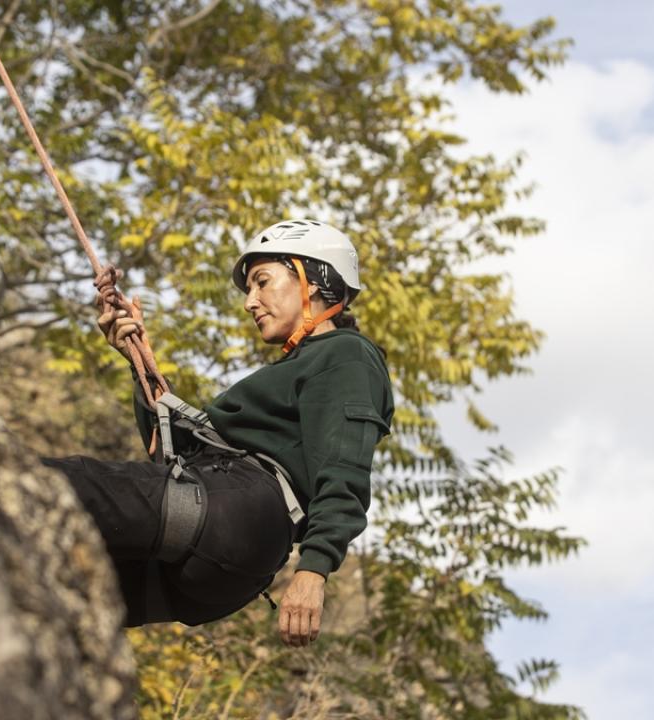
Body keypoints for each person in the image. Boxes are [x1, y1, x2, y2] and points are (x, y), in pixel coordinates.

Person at [41, 219, 393, 647]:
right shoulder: (297, 370)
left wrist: (314, 569)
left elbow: (344, 467)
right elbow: (171, 457)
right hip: (227, 563)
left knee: (50, 485)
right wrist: (136, 359)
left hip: (240, 510)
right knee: (45, 591)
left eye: (262, 282)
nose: (250, 302)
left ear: (314, 279)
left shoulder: (347, 355)